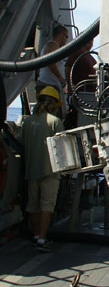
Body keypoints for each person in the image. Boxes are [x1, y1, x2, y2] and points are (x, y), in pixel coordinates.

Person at [19, 85, 65, 252]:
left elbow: (21, 144)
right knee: (47, 204)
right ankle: (42, 239)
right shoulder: (55, 122)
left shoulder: (27, 122)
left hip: (31, 170)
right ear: (52, 104)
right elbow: (62, 148)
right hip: (50, 171)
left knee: (33, 204)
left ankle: (36, 235)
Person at [37, 23, 69, 115]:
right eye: (66, 36)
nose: (66, 40)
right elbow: (51, 63)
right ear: (60, 34)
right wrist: (60, 78)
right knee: (51, 113)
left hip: (46, 83)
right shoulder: (53, 45)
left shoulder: (48, 46)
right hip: (49, 85)